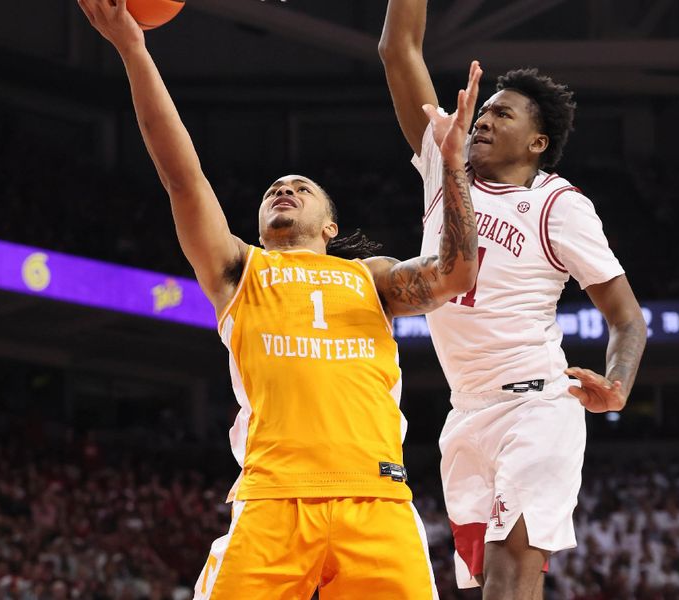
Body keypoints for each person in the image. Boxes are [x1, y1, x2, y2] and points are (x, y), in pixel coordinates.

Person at [76, 1, 482, 597]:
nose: (284, 190)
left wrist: (453, 166)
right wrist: (134, 51)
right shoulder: (239, 269)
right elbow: (182, 177)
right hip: (273, 497)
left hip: (376, 498)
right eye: (274, 189)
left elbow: (456, 274)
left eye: (301, 188)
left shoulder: (370, 278)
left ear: (329, 228)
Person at [379, 2, 648, 599]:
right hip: (465, 412)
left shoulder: (559, 205)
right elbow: (398, 50)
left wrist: (619, 383)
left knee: (511, 572)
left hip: (537, 407)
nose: (482, 120)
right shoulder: (442, 164)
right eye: (483, 110)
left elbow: (627, 318)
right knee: (482, 586)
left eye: (502, 114)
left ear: (537, 142)